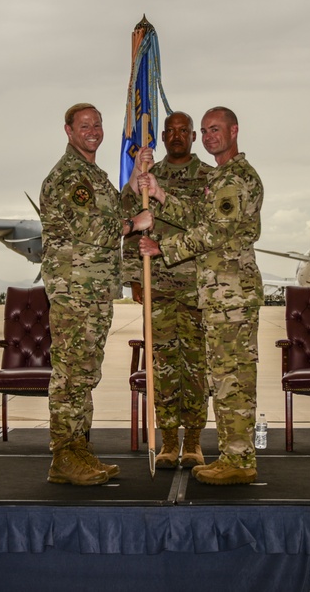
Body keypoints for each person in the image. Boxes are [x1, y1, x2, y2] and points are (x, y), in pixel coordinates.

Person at [138, 107, 263, 486]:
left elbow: (214, 231)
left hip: (232, 296)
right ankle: (232, 455)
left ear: (234, 131)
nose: (209, 137)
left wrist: (163, 249)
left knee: (233, 379)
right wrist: (159, 193)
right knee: (224, 379)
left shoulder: (237, 177)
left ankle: (239, 460)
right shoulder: (223, 176)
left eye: (215, 130)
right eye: (206, 131)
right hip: (219, 296)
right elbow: (198, 214)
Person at [39, 102, 153, 486]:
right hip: (76, 291)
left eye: (98, 125)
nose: (94, 131)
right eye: (85, 125)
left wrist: (135, 180)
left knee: (85, 373)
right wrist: (136, 222)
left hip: (94, 291)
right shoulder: (69, 176)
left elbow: (108, 214)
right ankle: (63, 455)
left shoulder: (91, 175)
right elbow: (96, 230)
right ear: (68, 130)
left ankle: (78, 449)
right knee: (71, 374)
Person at [121, 111, 214, 469]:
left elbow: (210, 228)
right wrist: (134, 278)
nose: (176, 136)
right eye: (170, 131)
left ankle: (194, 442)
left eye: (183, 131)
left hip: (195, 287)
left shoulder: (208, 177)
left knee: (195, 367)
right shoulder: (149, 177)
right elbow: (132, 225)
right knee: (163, 368)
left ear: (193, 137)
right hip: (157, 286)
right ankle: (169, 443)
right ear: (162, 135)